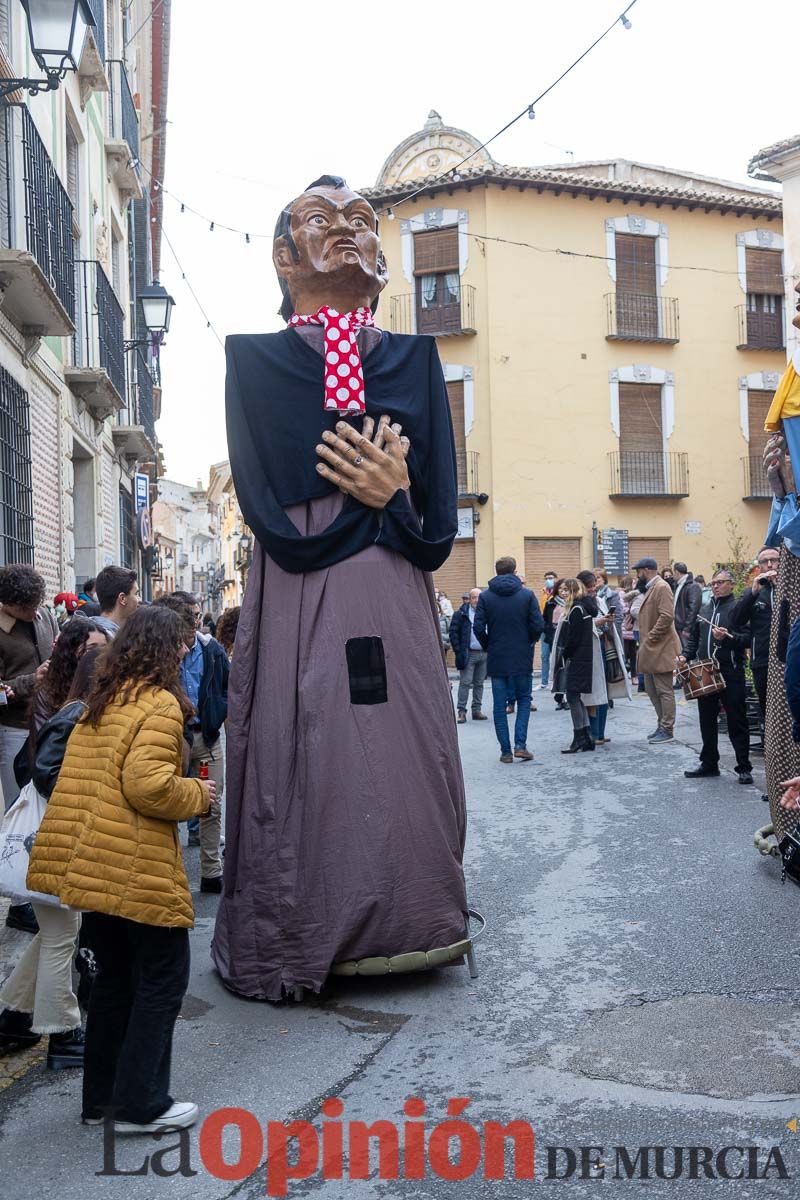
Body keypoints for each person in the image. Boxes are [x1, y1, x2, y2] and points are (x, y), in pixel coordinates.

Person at [216, 174, 468, 1000]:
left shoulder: (415, 358)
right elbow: (259, 497)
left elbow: (438, 514)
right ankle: (309, 921)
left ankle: (414, 912)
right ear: (285, 258)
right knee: (309, 735)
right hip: (300, 587)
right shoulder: (253, 363)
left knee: (405, 740)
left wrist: (392, 497)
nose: (350, 233)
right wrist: (332, 522)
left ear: (385, 261)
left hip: (392, 580)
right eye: (322, 221)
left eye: (363, 221)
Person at [27, 606, 215, 1133]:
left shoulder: (105, 698)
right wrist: (199, 794)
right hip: (134, 864)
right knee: (161, 979)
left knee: (112, 983)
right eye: (179, 643)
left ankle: (101, 1103)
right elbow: (148, 785)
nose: (185, 650)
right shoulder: (158, 704)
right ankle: (141, 1105)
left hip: (92, 863)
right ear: (161, 648)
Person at [0, 638, 106, 1069]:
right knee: (62, 936)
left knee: (53, 933)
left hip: (52, 841)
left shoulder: (73, 712)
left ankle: (13, 1016)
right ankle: (62, 1032)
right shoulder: (75, 715)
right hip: (54, 842)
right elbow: (45, 773)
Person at [155, 593, 228, 888]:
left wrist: (219, 716)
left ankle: (211, 871)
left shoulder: (212, 651)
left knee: (210, 803)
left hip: (206, 739)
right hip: (174, 741)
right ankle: (169, 874)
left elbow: (226, 688)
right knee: (169, 804)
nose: (184, 646)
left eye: (187, 635)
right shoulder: (158, 652)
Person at [680, 568, 753, 784]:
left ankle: (743, 767)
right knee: (707, 720)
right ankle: (709, 763)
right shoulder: (704, 609)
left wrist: (727, 638)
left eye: (720, 582)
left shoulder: (737, 609)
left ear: (731, 584)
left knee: (736, 720)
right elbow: (693, 641)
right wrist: (684, 656)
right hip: (706, 672)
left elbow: (747, 639)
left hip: (731, 672)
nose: (716, 586)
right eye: (713, 583)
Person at [473, 557, 543, 763]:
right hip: (522, 655)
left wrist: (488, 644)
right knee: (523, 699)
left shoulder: (486, 597)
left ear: (496, 571)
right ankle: (520, 745)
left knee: (498, 705)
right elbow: (538, 625)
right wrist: (529, 641)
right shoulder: (527, 595)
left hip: (497, 655)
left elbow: (477, 627)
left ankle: (505, 751)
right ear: (514, 571)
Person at [633, 557, 682, 744]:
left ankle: (667, 729)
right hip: (651, 648)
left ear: (646, 570)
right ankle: (662, 725)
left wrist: (651, 637)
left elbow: (667, 616)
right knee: (653, 690)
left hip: (659, 647)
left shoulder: (661, 587)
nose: (637, 575)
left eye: (639, 571)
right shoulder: (652, 587)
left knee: (664, 690)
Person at [730, 546, 779, 721]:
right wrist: (752, 593)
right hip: (762, 661)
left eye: (774, 560)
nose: (770, 565)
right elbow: (736, 620)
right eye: (765, 562)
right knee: (767, 709)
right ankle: (770, 747)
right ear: (760, 567)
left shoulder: (791, 589)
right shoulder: (753, 593)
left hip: (788, 659)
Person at [555, 578, 598, 752]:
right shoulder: (582, 608)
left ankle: (579, 737)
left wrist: (565, 654)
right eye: (561, 590)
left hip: (576, 659)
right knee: (576, 697)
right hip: (582, 658)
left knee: (572, 697)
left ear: (573, 591)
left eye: (566, 590)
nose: (562, 593)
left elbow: (573, 638)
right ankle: (587, 738)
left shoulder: (576, 610)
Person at [449, 588, 488, 723]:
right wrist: (459, 650)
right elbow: (453, 633)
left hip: (484, 653)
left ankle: (476, 710)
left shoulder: (487, 613)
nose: (476, 600)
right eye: (474, 597)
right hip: (468, 654)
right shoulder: (460, 614)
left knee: (479, 683)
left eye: (479, 597)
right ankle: (461, 711)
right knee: (465, 683)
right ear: (469, 599)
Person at [93, 566, 139, 637]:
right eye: (136, 594)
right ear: (122, 598)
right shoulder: (107, 641)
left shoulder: (91, 633)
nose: (140, 599)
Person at [536, 571, 558, 689]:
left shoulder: (559, 593)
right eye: (546, 578)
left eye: (551, 578)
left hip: (554, 628)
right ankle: (544, 682)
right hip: (545, 628)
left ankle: (555, 681)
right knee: (544, 655)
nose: (548, 580)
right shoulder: (543, 592)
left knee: (555, 655)